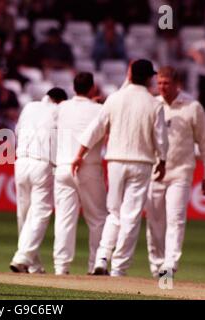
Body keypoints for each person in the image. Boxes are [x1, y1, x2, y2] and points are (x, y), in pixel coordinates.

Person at [72, 59, 168, 277]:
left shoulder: (115, 98)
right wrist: (162, 161)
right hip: (141, 162)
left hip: (115, 161)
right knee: (131, 215)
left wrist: (79, 155)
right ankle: (118, 267)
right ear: (148, 78)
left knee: (114, 213)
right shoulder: (155, 104)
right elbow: (161, 138)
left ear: (130, 74)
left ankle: (102, 258)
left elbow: (97, 128)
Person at [145, 66, 205, 278]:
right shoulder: (153, 105)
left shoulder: (192, 107)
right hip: (155, 172)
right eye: (159, 83)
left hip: (181, 172)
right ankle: (157, 265)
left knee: (175, 218)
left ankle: (169, 265)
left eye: (166, 83)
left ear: (177, 84)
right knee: (155, 221)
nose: (162, 88)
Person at [53, 72, 108, 275]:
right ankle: (96, 265)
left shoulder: (62, 107)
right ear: (92, 88)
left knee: (64, 218)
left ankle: (61, 267)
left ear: (73, 88)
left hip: (63, 167)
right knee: (98, 219)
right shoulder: (100, 109)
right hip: (88, 167)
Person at [10, 87, 68, 274]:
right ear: (60, 101)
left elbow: (17, 131)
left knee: (24, 213)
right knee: (40, 213)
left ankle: (33, 264)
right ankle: (23, 257)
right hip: (42, 163)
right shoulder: (59, 110)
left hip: (21, 161)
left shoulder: (29, 106)